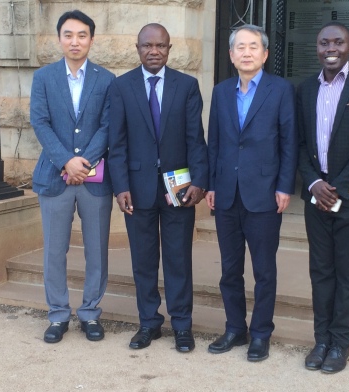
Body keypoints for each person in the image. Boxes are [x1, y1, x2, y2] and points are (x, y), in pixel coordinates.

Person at [107, 23, 209, 353]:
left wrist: (200, 182)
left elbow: (196, 140)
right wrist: (120, 186)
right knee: (144, 260)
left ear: (169, 49)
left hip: (179, 189)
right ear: (137, 49)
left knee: (178, 258)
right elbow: (117, 143)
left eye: (161, 46)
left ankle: (182, 325)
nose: (154, 51)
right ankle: (149, 322)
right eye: (148, 46)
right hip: (136, 189)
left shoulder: (187, 86)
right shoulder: (121, 87)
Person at [205, 24, 297, 362]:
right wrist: (212, 184)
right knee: (230, 269)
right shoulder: (221, 91)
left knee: (263, 270)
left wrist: (285, 185)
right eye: (240, 47)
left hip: (264, 194)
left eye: (253, 46)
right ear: (230, 55)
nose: (246, 52)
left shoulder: (281, 90)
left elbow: (289, 143)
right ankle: (234, 328)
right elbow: (214, 142)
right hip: (227, 194)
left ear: (265, 54)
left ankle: (260, 333)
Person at [296, 21, 349, 373]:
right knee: (320, 271)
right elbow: (299, 143)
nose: (330, 48)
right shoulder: (304, 90)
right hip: (317, 197)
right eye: (324, 42)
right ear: (316, 48)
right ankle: (321, 341)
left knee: (347, 273)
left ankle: (339, 344)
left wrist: (339, 188)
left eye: (338, 42)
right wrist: (314, 183)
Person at [30, 10, 115, 344]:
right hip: (54, 178)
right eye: (68, 35)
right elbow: (40, 122)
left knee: (97, 250)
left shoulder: (106, 79)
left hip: (95, 182)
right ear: (59, 38)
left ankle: (91, 313)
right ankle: (58, 315)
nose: (75, 41)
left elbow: (108, 125)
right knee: (54, 250)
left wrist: (85, 161)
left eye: (82, 35)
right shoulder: (44, 78)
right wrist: (67, 160)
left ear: (92, 40)